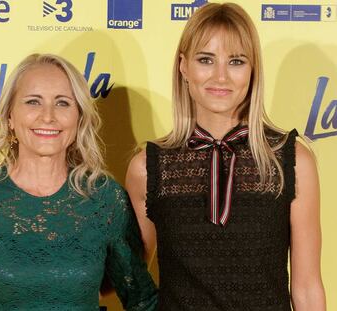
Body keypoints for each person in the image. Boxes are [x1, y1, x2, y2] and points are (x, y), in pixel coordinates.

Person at [126, 3, 326, 310]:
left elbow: (308, 288)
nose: (221, 76)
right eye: (206, 59)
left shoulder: (293, 161)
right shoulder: (148, 167)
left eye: (236, 61)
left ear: (253, 69)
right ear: (183, 66)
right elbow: (131, 281)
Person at [0, 54, 157, 310]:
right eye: (33, 102)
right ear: (9, 116)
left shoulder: (105, 199)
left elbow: (143, 299)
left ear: (79, 117)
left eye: (63, 103)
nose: (48, 116)